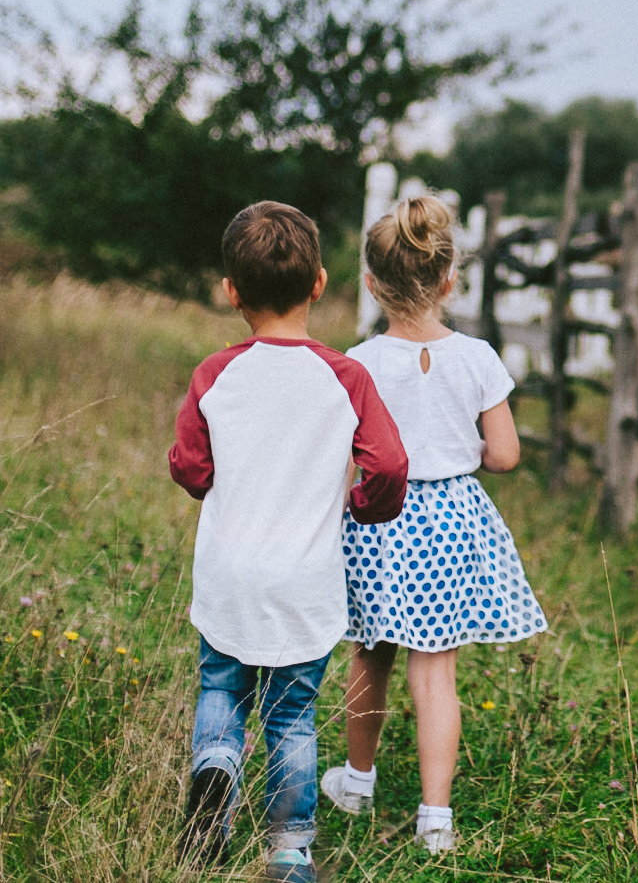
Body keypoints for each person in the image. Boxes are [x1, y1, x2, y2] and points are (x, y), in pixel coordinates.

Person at [168, 202, 410, 883]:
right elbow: (389, 464)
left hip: (229, 576)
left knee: (221, 687)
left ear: (231, 291)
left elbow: (189, 466)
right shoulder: (345, 377)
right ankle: (289, 851)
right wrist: (361, 504)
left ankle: (215, 781)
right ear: (320, 284)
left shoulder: (216, 374)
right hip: (306, 581)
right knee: (293, 714)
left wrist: (215, 477)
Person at [323, 195, 547, 854]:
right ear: (449, 280)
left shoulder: (358, 362)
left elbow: (342, 458)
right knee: (435, 671)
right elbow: (504, 454)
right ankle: (435, 818)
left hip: (378, 517)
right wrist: (455, 454)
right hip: (449, 521)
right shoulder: (477, 357)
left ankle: (358, 781)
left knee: (370, 652)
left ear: (370, 283)